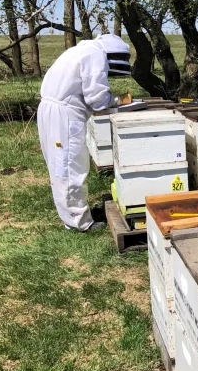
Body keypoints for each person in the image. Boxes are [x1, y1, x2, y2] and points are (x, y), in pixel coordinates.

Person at [37, 34, 132, 231]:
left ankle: (72, 215)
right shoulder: (95, 55)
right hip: (65, 116)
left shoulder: (80, 50)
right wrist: (115, 101)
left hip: (51, 110)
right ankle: (79, 223)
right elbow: (96, 98)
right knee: (70, 167)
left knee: (60, 166)